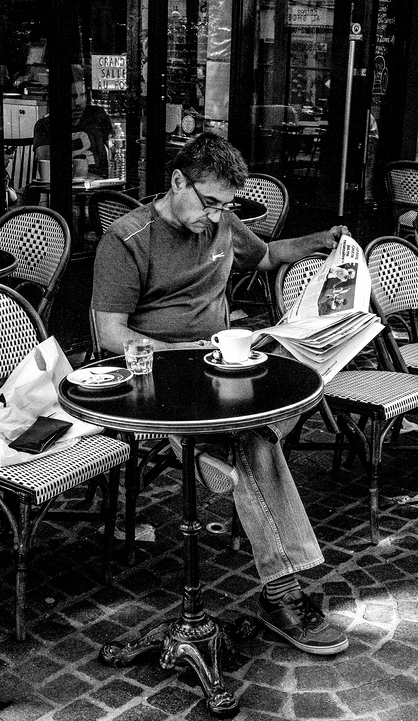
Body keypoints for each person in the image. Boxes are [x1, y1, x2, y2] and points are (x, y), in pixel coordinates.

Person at [92, 132, 351, 656]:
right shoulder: (127, 238)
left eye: (224, 207)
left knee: (302, 376)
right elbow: (110, 333)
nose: (214, 217)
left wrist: (321, 241)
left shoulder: (224, 223)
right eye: (208, 203)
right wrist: (182, 352)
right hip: (158, 377)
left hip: (223, 369)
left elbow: (267, 256)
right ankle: (282, 593)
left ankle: (207, 449)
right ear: (177, 181)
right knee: (254, 440)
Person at [33, 65, 113, 180]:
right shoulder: (45, 125)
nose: (78, 102)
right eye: (72, 97)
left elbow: (115, 148)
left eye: (82, 95)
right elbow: (47, 169)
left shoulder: (97, 114)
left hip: (101, 183)